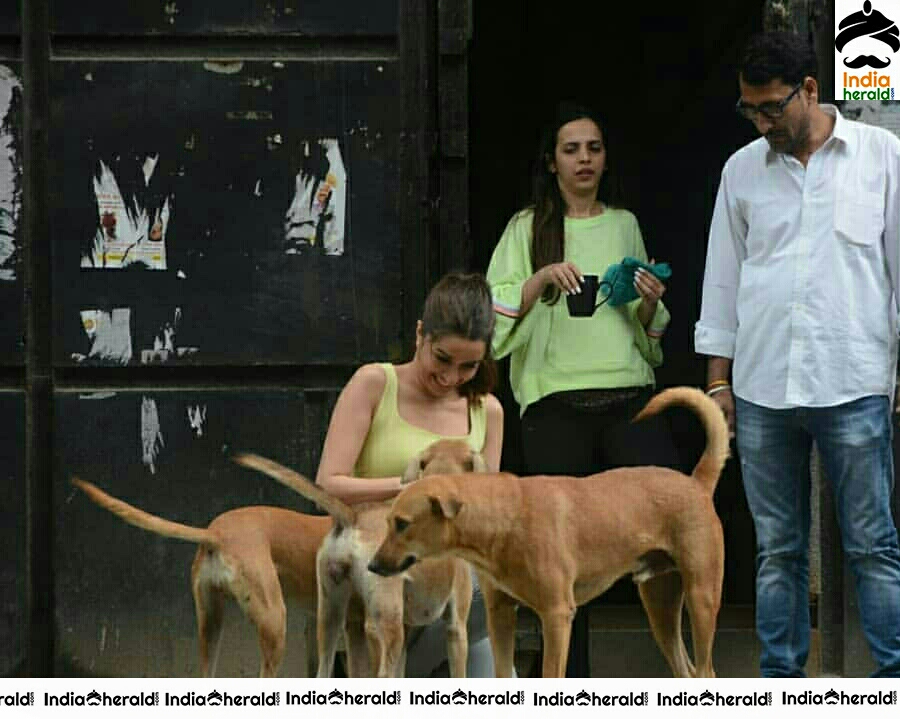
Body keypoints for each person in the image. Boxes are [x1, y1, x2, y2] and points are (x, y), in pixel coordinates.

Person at [695, 30, 900, 677]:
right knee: (778, 549)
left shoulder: (882, 156)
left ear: (810, 89)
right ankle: (780, 683)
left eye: (771, 107)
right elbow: (722, 279)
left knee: (872, 544)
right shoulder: (740, 170)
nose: (761, 123)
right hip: (761, 389)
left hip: (856, 379)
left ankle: (893, 677)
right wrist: (718, 384)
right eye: (749, 110)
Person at [486, 101, 678, 678]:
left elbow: (649, 328)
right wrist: (542, 277)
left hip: (627, 400)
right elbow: (492, 312)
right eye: (571, 149)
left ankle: (680, 671)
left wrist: (648, 300)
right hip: (555, 404)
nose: (584, 158)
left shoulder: (622, 222)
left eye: (593, 147)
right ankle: (569, 688)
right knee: (556, 558)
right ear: (552, 162)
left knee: (667, 536)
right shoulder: (527, 227)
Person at [316, 271, 505, 677]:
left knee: (490, 601)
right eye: (442, 359)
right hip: (377, 558)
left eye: (469, 366)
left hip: (447, 583)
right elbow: (328, 484)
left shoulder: (487, 410)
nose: (451, 377)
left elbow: (488, 515)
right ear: (421, 334)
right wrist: (411, 489)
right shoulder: (374, 383)